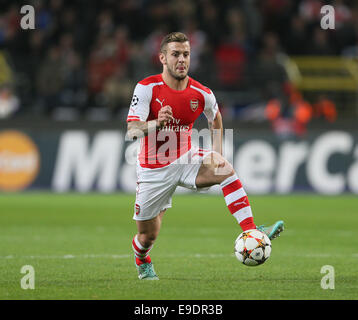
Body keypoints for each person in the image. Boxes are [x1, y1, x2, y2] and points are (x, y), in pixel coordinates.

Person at [126, 32, 284, 280]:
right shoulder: (147, 87)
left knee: (225, 169)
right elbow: (132, 130)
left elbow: (216, 118)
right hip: (153, 169)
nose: (181, 60)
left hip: (186, 157)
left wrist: (217, 154)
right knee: (148, 236)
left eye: (186, 54)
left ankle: (252, 231)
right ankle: (142, 258)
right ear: (162, 58)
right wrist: (157, 122)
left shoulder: (202, 93)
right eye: (175, 54)